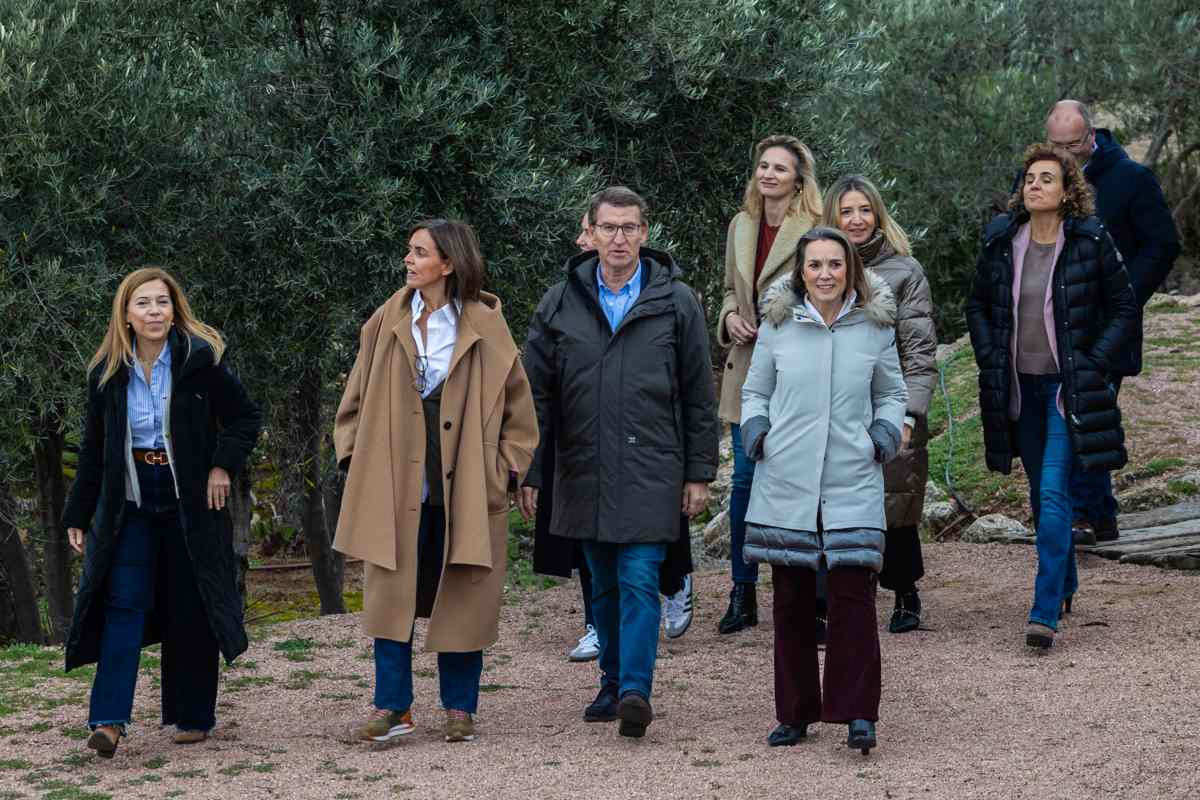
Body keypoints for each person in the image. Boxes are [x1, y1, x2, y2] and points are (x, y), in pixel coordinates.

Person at [522, 186, 719, 738]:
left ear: (645, 234)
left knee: (638, 579)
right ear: (590, 232)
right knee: (601, 584)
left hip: (653, 467)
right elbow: (533, 397)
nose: (619, 238)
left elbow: (699, 393)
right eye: (609, 227)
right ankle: (610, 682)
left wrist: (699, 472)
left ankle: (635, 689)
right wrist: (531, 470)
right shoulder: (559, 302)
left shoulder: (677, 301)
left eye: (630, 227)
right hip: (581, 467)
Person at [333, 219, 539, 744]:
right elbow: (354, 396)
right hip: (394, 485)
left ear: (448, 264)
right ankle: (392, 708)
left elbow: (520, 410)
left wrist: (504, 473)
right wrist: (353, 457)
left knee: (464, 594)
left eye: (419, 252)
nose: (408, 260)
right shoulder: (387, 319)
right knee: (389, 595)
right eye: (409, 250)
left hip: (467, 486)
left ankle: (459, 709)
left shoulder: (487, 326)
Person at [62, 267, 262, 758]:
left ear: (175, 310)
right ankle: (108, 722)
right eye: (144, 304)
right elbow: (94, 450)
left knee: (190, 603)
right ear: (126, 315)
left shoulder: (201, 360)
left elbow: (244, 418)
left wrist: (222, 467)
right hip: (129, 499)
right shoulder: (107, 372)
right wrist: (77, 513)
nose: (155, 312)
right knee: (123, 604)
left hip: (190, 500)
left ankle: (193, 717)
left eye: (163, 303)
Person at [741, 227, 907, 754]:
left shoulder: (874, 327)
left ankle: (858, 713)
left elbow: (893, 391)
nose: (826, 274)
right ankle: (794, 714)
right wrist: (756, 431)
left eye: (835, 264)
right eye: (815, 265)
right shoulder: (779, 325)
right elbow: (755, 389)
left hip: (852, 478)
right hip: (786, 478)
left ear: (850, 270)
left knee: (852, 598)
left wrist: (883, 435)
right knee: (790, 601)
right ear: (801, 271)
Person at [965, 143, 1138, 649]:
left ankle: (1043, 612)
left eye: (1047, 178)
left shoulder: (1090, 240)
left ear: (1067, 192)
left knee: (1054, 491)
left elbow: (1124, 307)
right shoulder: (1002, 239)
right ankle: (1065, 581)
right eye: (1029, 178)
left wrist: (1093, 362)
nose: (1035, 185)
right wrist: (987, 353)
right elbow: (976, 303)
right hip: (1020, 388)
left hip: (1067, 389)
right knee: (1042, 496)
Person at [1045, 100, 1182, 544]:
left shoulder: (1132, 180)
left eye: (1073, 145)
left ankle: (1086, 514)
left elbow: (1162, 245)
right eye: (1056, 145)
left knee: (1086, 412)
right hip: (1049, 321)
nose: (1066, 154)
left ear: (1092, 136)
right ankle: (1095, 514)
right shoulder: (1040, 177)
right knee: (1067, 414)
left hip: (1106, 324)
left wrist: (1125, 298)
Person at [714, 134, 822, 635]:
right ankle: (742, 591)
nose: (769, 174)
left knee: (800, 483)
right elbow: (726, 291)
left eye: (780, 168)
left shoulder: (817, 228)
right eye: (763, 166)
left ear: (798, 178)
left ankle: (805, 594)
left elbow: (830, 292)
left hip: (795, 370)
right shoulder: (740, 226)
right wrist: (731, 315)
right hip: (745, 370)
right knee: (743, 483)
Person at [825, 175, 937, 633]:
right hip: (832, 405)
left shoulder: (904, 271)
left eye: (864, 210)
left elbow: (919, 348)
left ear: (878, 216)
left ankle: (905, 590)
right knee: (834, 505)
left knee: (896, 501)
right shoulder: (817, 267)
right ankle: (843, 595)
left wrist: (909, 412)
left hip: (887, 403)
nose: (855, 220)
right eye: (846, 211)